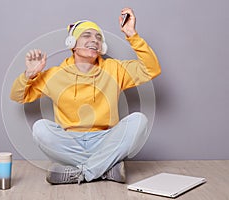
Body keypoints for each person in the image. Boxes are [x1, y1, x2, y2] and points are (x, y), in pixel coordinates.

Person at [10, 7, 161, 185]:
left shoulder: (115, 69)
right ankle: (105, 169)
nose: (94, 40)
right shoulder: (55, 75)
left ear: (102, 47)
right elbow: (18, 96)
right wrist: (29, 74)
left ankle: (82, 173)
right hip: (69, 142)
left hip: (106, 139)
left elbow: (152, 69)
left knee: (139, 121)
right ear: (72, 43)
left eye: (98, 37)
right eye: (87, 35)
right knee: (40, 128)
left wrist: (131, 34)